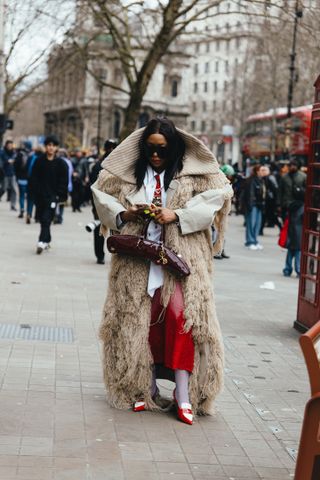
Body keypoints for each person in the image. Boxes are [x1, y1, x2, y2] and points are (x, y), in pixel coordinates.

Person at [91, 118, 233, 424]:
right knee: (139, 321)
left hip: (181, 262)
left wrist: (177, 214)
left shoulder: (193, 174)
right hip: (136, 263)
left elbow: (219, 196)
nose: (156, 155)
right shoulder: (128, 175)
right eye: (150, 149)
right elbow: (102, 197)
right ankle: (144, 387)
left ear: (174, 148)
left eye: (162, 149)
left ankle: (184, 393)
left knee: (182, 318)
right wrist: (126, 212)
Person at [29, 135, 68, 254]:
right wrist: (33, 193)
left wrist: (59, 195)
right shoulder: (39, 161)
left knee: (46, 219)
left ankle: (41, 241)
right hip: (40, 196)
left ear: (56, 148)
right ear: (46, 147)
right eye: (49, 145)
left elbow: (64, 181)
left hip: (53, 197)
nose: (51, 148)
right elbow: (33, 178)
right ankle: (47, 239)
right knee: (42, 219)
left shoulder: (61, 163)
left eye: (53, 146)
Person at [89, 139, 117, 264]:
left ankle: (108, 254)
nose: (111, 150)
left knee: (113, 230)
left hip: (113, 203)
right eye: (109, 148)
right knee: (100, 229)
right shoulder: (99, 166)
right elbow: (92, 186)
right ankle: (100, 255)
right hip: (101, 202)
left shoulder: (118, 166)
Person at [280, 158, 306, 277]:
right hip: (288, 208)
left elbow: (308, 192)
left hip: (300, 208)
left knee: (297, 243)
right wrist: (279, 206)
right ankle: (289, 268)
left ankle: (295, 268)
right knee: (292, 242)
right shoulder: (284, 177)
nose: (292, 167)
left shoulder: (303, 176)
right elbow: (281, 193)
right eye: (291, 165)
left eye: (294, 165)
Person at [241, 164, 266, 250]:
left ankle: (255, 240)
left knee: (257, 224)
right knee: (251, 224)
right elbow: (250, 194)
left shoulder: (261, 180)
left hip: (259, 204)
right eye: (262, 170)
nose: (264, 172)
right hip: (253, 205)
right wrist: (250, 205)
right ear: (257, 171)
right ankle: (250, 241)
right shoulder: (251, 180)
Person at [14, 141, 32, 219]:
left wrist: (17, 176)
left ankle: (22, 209)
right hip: (30, 180)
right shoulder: (32, 156)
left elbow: (16, 166)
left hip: (21, 178)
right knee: (29, 197)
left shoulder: (20, 154)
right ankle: (29, 212)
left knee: (21, 195)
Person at [0, 140, 17, 210]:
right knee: (4, 188)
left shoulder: (14, 152)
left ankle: (13, 205)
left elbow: (15, 161)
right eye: (8, 145)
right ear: (6, 145)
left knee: (14, 189)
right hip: (5, 174)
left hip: (12, 173)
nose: (10, 146)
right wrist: (8, 161)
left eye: (11, 145)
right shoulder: (2, 152)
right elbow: (3, 161)